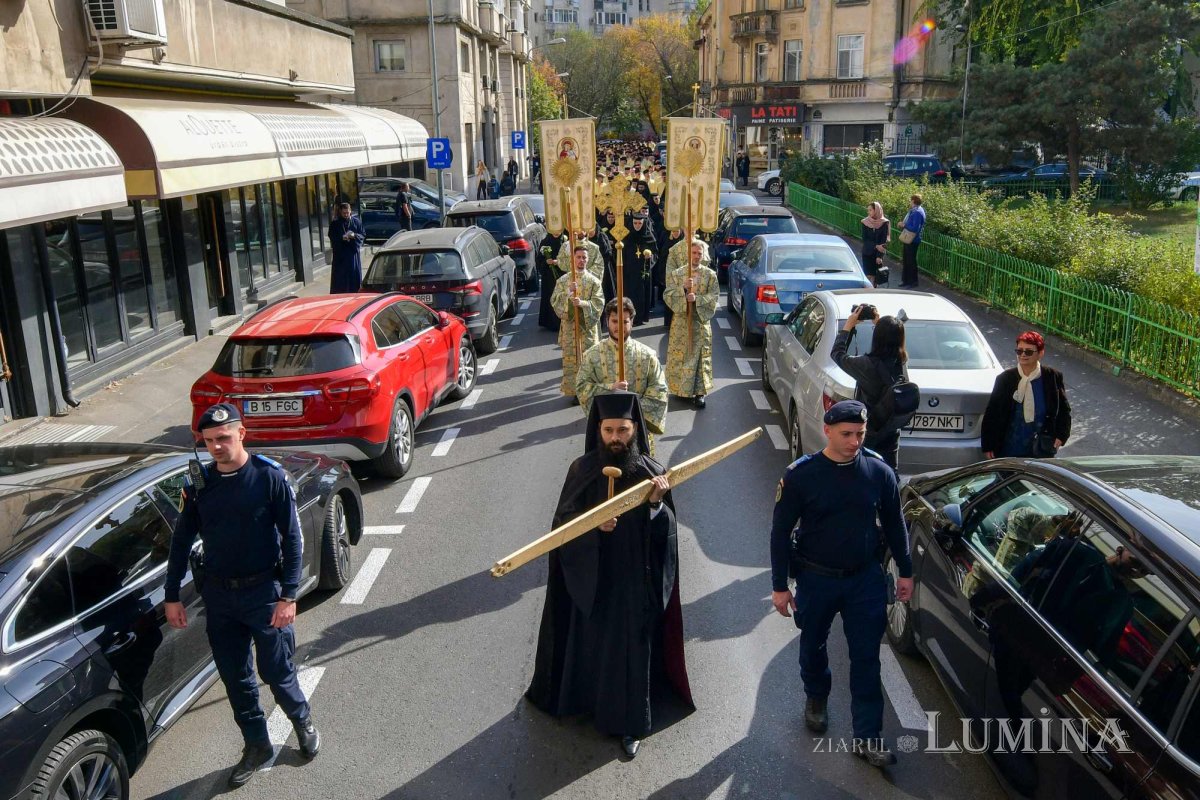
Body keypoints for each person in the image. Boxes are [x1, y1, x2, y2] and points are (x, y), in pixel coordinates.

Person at [526, 391, 693, 758]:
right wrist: (592, 529)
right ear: (597, 430)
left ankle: (630, 725)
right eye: (608, 430)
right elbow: (561, 527)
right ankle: (584, 706)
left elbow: (669, 532)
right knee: (592, 648)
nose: (616, 438)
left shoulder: (653, 473)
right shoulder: (581, 471)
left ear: (635, 429)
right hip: (594, 582)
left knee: (632, 654)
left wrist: (654, 506)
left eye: (623, 430)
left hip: (635, 585)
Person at [164, 403, 320, 788]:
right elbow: (181, 542)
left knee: (277, 672)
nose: (217, 446)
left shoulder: (269, 477)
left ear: (241, 434)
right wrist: (172, 596)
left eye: (224, 438)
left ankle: (302, 720)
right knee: (237, 680)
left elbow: (293, 537)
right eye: (210, 441)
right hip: (220, 599)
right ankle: (256, 745)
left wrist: (289, 596)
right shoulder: (199, 486)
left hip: (265, 594)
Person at [769, 399, 913, 769]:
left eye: (860, 434)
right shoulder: (801, 475)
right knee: (813, 646)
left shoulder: (878, 472)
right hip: (816, 578)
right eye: (846, 434)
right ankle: (816, 695)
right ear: (827, 431)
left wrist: (906, 571)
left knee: (867, 658)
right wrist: (779, 585)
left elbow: (895, 524)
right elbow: (780, 532)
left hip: (863, 579)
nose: (854, 442)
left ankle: (867, 737)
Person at [576, 297, 668, 454]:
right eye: (614, 321)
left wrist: (632, 412)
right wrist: (610, 388)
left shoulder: (647, 355)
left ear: (632, 322)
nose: (619, 326)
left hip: (637, 431)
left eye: (624, 322)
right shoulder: (592, 356)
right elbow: (582, 387)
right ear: (607, 321)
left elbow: (659, 391)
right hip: (607, 436)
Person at [830, 308, 909, 471]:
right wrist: (882, 324)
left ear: (876, 338)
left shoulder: (865, 365)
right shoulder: (901, 361)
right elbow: (891, 341)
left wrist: (848, 326)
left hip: (868, 432)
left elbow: (837, 354)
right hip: (891, 431)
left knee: (862, 475)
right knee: (889, 474)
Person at [980, 330, 1072, 459]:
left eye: (1028, 351)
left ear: (1040, 353)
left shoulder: (1052, 377)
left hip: (1041, 449)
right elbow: (992, 413)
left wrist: (1061, 435)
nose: (1023, 355)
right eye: (1019, 351)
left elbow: (1064, 409)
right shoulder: (1005, 379)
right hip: (1009, 448)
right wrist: (988, 445)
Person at [664, 240, 718, 408]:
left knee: (700, 357)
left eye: (699, 254)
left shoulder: (710, 275)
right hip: (681, 322)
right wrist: (682, 289)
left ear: (703, 255)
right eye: (693, 253)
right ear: (688, 254)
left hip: (700, 322)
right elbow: (668, 294)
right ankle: (680, 389)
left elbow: (714, 296)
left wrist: (698, 300)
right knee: (681, 355)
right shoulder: (677, 274)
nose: (696, 256)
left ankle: (700, 393)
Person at [551, 246, 604, 400]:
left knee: (588, 359)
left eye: (584, 257)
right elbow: (554, 301)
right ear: (573, 259)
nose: (581, 260)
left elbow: (599, 304)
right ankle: (575, 391)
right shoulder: (563, 280)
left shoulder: (594, 281)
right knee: (572, 360)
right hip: (569, 328)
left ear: (588, 259)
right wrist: (568, 292)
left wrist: (583, 304)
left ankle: (590, 391)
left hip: (587, 329)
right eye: (578, 257)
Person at [623, 212, 658, 323]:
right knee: (630, 293)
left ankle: (641, 317)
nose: (637, 225)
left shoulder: (649, 236)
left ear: (643, 223)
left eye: (639, 223)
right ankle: (628, 317)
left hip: (643, 271)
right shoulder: (626, 236)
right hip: (630, 271)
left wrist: (650, 256)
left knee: (642, 295)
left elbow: (656, 253)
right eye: (635, 223)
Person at [328, 202, 365, 293]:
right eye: (344, 213)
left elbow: (362, 235)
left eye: (347, 213)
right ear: (340, 212)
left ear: (350, 211)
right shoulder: (335, 224)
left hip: (352, 255)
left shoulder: (356, 222)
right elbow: (332, 236)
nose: (346, 215)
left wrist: (354, 236)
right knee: (340, 280)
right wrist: (342, 238)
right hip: (340, 256)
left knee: (353, 278)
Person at [537, 232, 568, 331]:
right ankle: (551, 322)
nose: (556, 232)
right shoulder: (545, 242)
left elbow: (569, 257)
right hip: (549, 275)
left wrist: (558, 262)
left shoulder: (565, 240)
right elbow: (539, 260)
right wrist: (546, 262)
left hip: (563, 274)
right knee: (551, 296)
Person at [898, 194, 925, 288]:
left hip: (913, 240)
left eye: (911, 200)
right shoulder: (915, 210)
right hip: (909, 238)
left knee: (911, 261)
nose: (910, 202)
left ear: (913, 201)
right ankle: (905, 280)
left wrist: (904, 225)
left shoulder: (917, 212)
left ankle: (913, 282)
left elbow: (915, 228)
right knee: (906, 260)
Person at [860, 202, 889, 287]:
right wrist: (875, 246)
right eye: (868, 210)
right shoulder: (865, 222)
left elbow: (884, 240)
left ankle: (873, 293)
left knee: (875, 278)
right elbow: (865, 239)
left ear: (876, 210)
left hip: (877, 254)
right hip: (867, 252)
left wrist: (879, 256)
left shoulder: (884, 223)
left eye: (870, 210)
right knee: (867, 276)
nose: (868, 212)